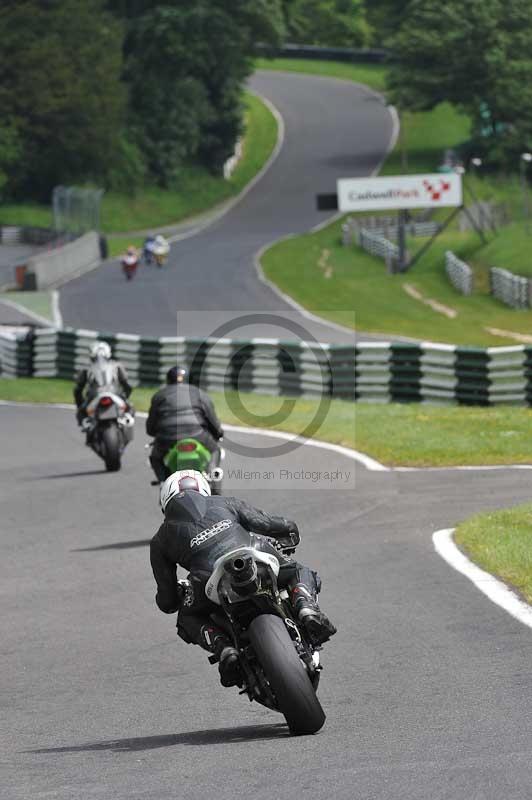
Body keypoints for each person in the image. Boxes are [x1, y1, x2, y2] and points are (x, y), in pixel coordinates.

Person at [150, 469, 337, 687]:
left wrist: (180, 594)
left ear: (165, 501)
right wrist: (289, 532)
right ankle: (306, 607)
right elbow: (268, 523)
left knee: (187, 617)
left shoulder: (160, 539)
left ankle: (223, 648)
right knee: (297, 570)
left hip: (206, 577)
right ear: (204, 489)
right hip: (252, 552)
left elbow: (167, 601)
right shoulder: (224, 502)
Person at [146, 366, 223, 482]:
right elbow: (212, 419)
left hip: (168, 438)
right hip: (197, 434)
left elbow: (150, 428)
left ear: (168, 379)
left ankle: (164, 481)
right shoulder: (199, 393)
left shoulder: (159, 395)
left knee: (155, 458)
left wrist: (157, 434)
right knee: (215, 450)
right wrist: (218, 433)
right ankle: (212, 471)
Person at [74, 341, 132, 428]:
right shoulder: (117, 366)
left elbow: (78, 389)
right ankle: (127, 417)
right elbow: (127, 385)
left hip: (95, 395)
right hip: (113, 393)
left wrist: (80, 404)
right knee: (130, 407)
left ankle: (86, 423)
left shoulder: (86, 368)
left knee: (81, 413)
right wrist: (125, 397)